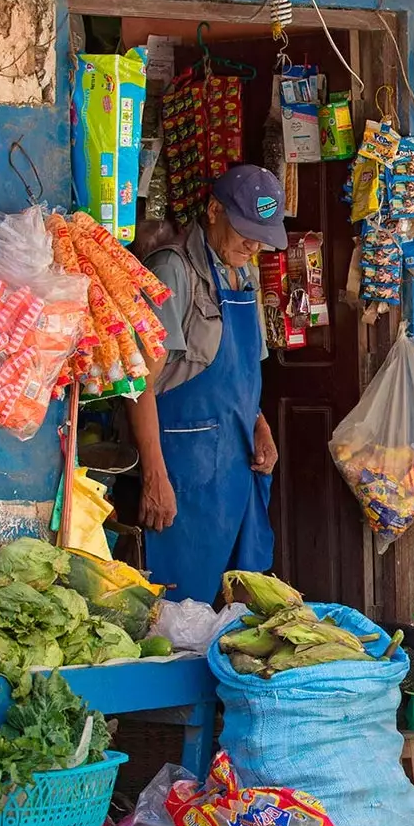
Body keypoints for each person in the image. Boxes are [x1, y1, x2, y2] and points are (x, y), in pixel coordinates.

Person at [126, 166, 286, 604]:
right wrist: (155, 477)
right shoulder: (173, 271)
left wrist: (260, 425)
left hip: (235, 473)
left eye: (262, 236)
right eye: (245, 231)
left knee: (234, 610)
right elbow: (139, 383)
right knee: (176, 615)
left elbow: (244, 374)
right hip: (183, 474)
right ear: (214, 210)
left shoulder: (245, 277)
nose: (253, 245)